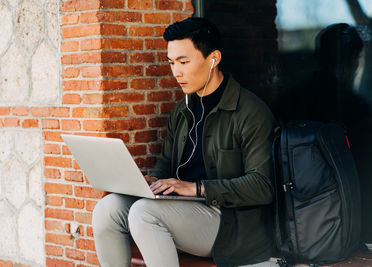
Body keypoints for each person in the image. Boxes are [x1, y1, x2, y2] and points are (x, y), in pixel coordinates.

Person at [92, 17, 277, 267]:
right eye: (171, 62)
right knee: (107, 208)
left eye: (184, 61)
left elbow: (263, 186)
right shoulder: (182, 111)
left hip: (231, 223)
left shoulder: (250, 111)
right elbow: (167, 164)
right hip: (182, 208)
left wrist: (196, 188)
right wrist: (153, 182)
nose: (176, 71)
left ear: (213, 58)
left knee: (144, 213)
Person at [274, 23, 372, 125]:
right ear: (351, 60)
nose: (357, 65)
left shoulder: (289, 100)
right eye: (358, 58)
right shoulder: (354, 107)